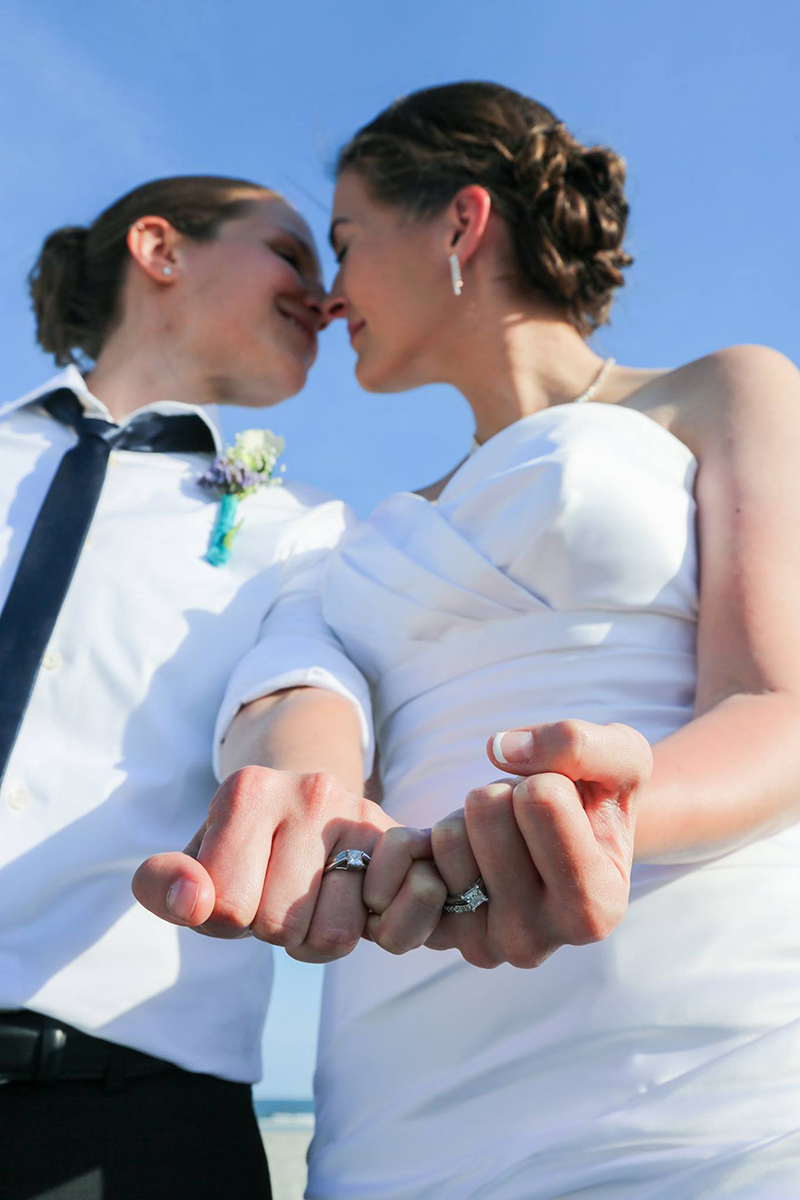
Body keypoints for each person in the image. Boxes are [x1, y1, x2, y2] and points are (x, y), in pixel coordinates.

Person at [137, 82, 800, 1198]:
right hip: (400, 1068)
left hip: (696, 1049)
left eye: (343, 242)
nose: (331, 295)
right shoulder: (341, 533)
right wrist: (307, 810)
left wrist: (606, 818)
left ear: (459, 221)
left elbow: (777, 701)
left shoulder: (723, 390)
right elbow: (300, 701)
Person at [0, 174, 399, 1200]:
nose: (325, 294)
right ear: (161, 250)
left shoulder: (300, 524)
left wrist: (300, 795)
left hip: (126, 1113)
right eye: (292, 254)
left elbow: (293, 686)